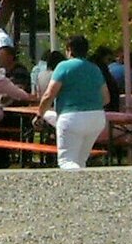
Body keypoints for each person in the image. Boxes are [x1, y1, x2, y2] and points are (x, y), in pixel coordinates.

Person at [35, 35, 108, 170]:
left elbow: (49, 94)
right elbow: (106, 98)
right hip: (96, 118)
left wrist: (39, 114)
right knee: (80, 160)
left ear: (69, 49)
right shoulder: (95, 69)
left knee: (66, 161)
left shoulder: (63, 67)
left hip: (71, 117)